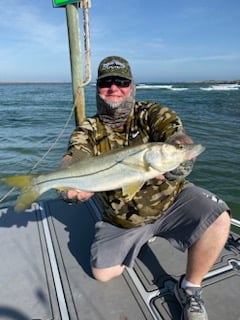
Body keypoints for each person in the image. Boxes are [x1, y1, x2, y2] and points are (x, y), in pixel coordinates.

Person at [60, 56, 230, 320]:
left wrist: (180, 155)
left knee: (218, 217)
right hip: (122, 220)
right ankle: (141, 237)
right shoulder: (88, 128)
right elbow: (75, 155)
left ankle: (190, 288)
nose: (114, 88)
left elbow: (176, 136)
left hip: (171, 202)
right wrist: (67, 189)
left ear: (132, 85)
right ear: (98, 88)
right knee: (103, 273)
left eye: (122, 82)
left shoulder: (152, 112)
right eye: (106, 83)